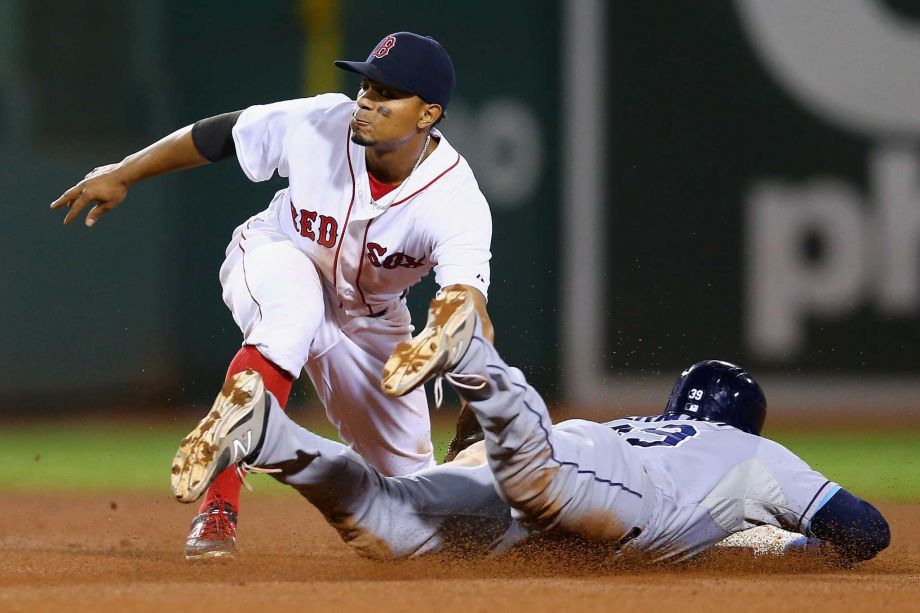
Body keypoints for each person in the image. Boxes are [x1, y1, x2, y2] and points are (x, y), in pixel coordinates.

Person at [50, 32, 495, 560]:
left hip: (371, 316)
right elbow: (220, 135)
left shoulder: (455, 199)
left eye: (387, 94)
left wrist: (480, 396)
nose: (367, 102)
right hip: (279, 252)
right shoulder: (320, 121)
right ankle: (217, 506)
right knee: (290, 315)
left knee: (414, 497)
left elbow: (466, 307)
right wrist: (123, 173)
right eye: (367, 86)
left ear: (428, 115)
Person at [170, 289, 891, 565]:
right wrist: (816, 543)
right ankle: (473, 356)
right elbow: (866, 529)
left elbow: (750, 541)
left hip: (569, 455)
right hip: (601, 486)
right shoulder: (754, 454)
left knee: (389, 531)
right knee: (541, 482)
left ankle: (270, 435)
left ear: (679, 406)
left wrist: (778, 539)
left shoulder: (652, 430)